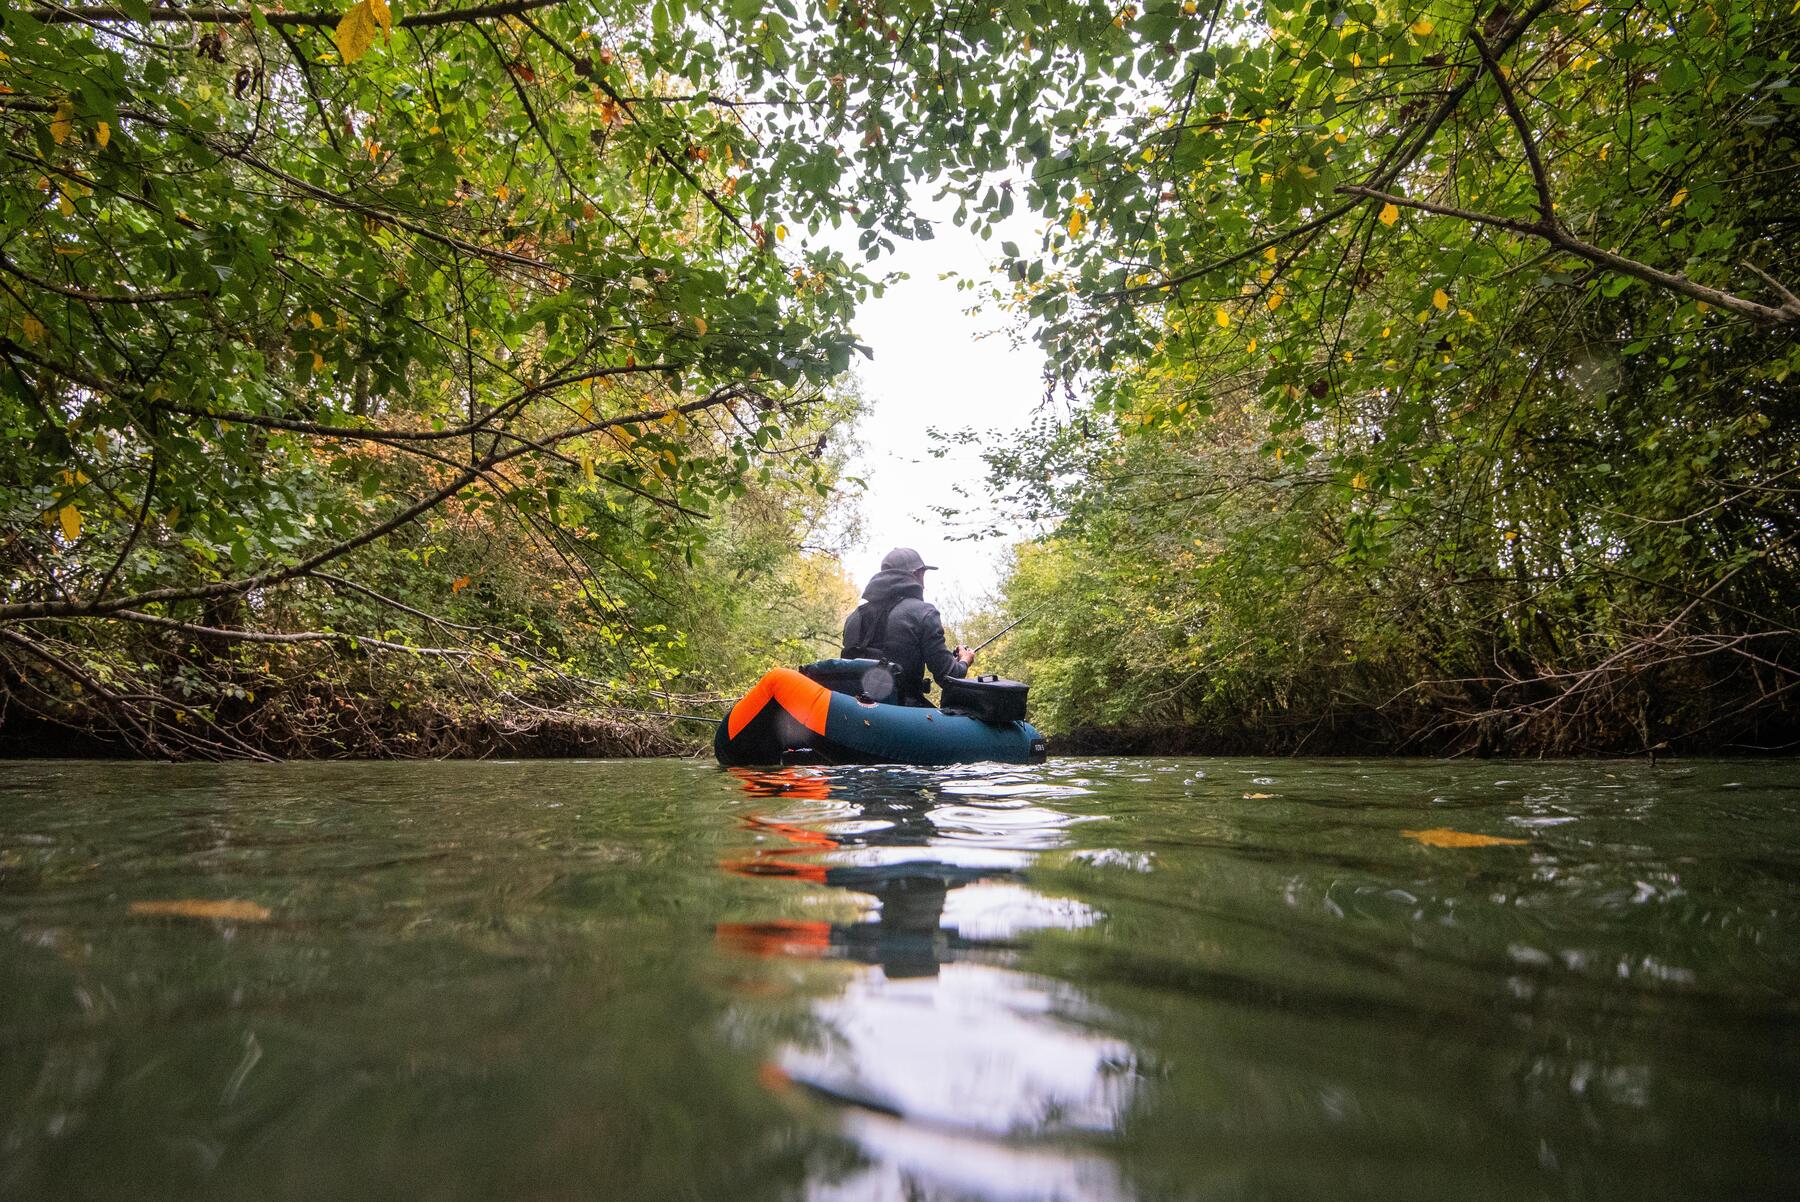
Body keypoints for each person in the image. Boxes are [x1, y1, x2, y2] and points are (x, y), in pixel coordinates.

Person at [842, 548, 975, 706]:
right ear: (917, 574)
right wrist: (964, 661)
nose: (924, 585)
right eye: (923, 576)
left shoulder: (854, 617)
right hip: (901, 713)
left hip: (853, 709)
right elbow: (950, 677)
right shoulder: (924, 613)